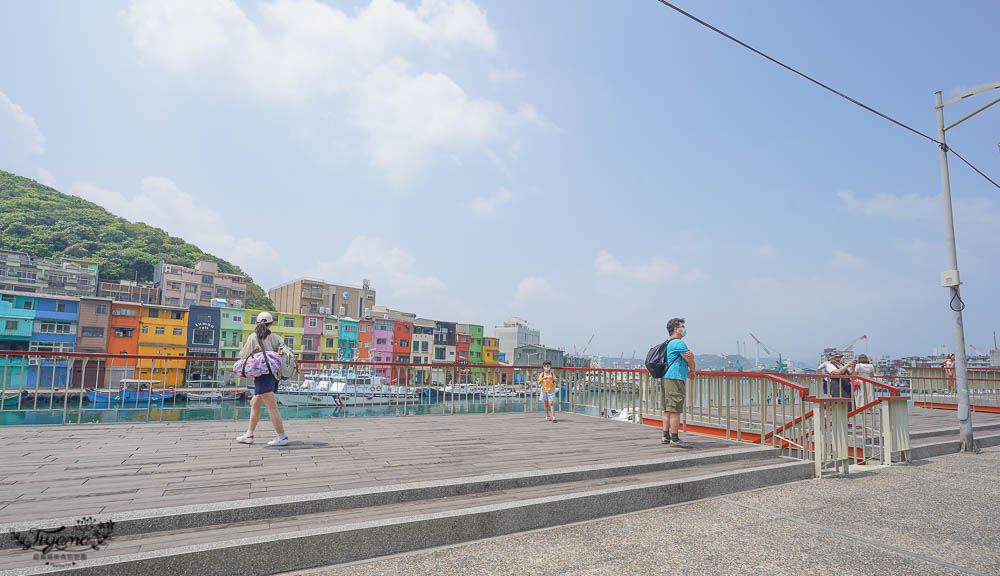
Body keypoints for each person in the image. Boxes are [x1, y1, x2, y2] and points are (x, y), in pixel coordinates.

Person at [235, 312, 289, 446]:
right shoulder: (277, 338)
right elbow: (284, 354)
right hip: (273, 375)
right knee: (255, 404)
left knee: (272, 407)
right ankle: (249, 434)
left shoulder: (253, 337)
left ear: (256, 323)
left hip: (261, 375)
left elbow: (244, 354)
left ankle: (281, 436)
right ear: (272, 324)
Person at [661, 317, 695, 448]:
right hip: (675, 377)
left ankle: (666, 436)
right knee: (675, 409)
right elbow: (689, 358)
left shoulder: (668, 343)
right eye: (682, 326)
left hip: (666, 377)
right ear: (676, 329)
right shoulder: (679, 343)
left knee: (667, 409)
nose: (684, 329)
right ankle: (674, 439)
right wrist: (693, 370)